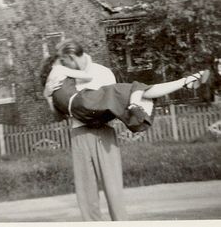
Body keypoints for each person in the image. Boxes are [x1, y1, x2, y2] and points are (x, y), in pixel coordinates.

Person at [41, 39, 210, 133]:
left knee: (135, 91)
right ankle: (183, 82)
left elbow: (61, 115)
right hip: (83, 116)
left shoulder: (56, 85)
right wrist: (48, 98)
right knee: (134, 90)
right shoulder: (60, 72)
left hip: (92, 119)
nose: (65, 65)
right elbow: (87, 77)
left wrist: (48, 96)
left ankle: (186, 81)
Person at [41, 39, 127, 221]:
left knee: (114, 191)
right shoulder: (64, 78)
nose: (63, 66)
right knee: (87, 196)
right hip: (79, 135)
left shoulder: (103, 73)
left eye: (65, 62)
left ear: (71, 57)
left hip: (104, 133)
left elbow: (113, 106)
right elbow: (58, 116)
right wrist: (48, 97)